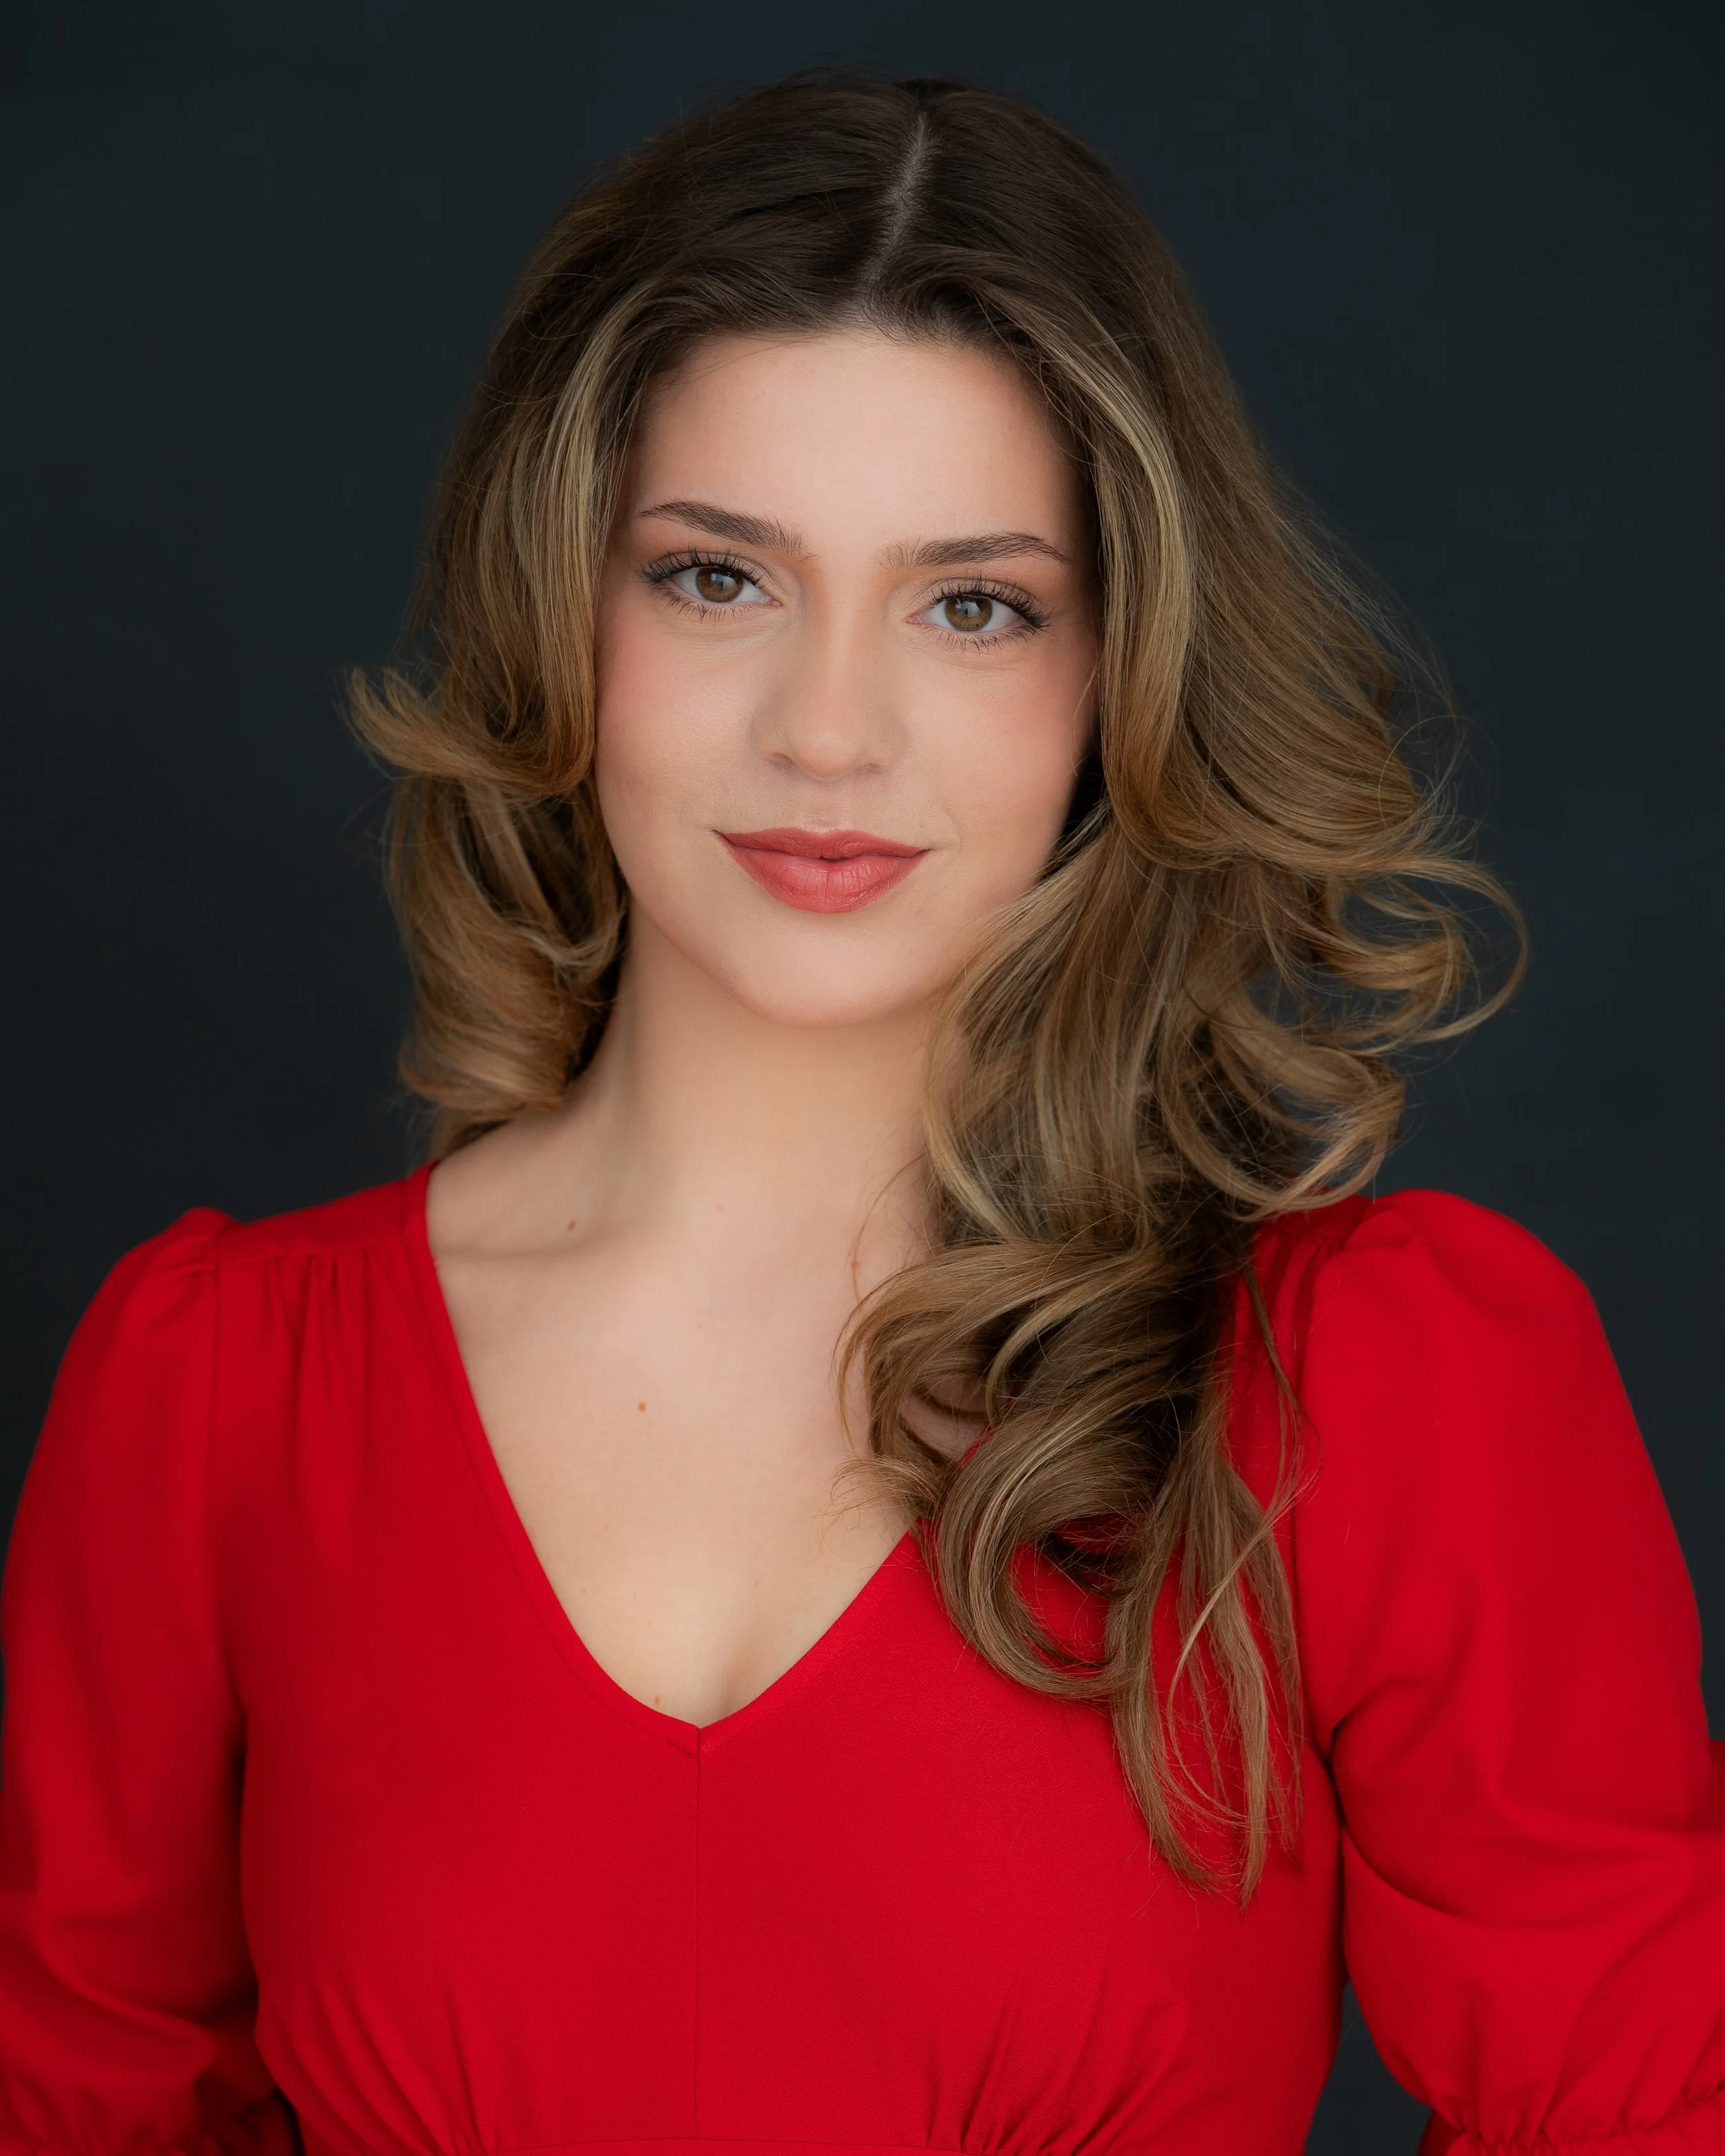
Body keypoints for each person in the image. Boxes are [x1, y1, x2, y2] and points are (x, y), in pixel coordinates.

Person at [1, 70, 1719, 2156]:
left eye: (971, 603)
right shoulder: (212, 1394)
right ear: (567, 606)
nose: (828, 727)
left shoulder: (1385, 1382)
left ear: (1116, 676)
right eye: (717, 579)